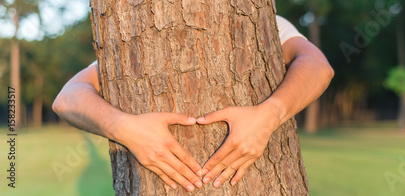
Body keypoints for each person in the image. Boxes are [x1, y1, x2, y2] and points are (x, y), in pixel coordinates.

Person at [52, 15, 334, 192]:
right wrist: (122, 127)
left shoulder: (262, 21)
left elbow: (318, 66)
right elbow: (67, 99)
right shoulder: (137, 31)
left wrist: (270, 114)